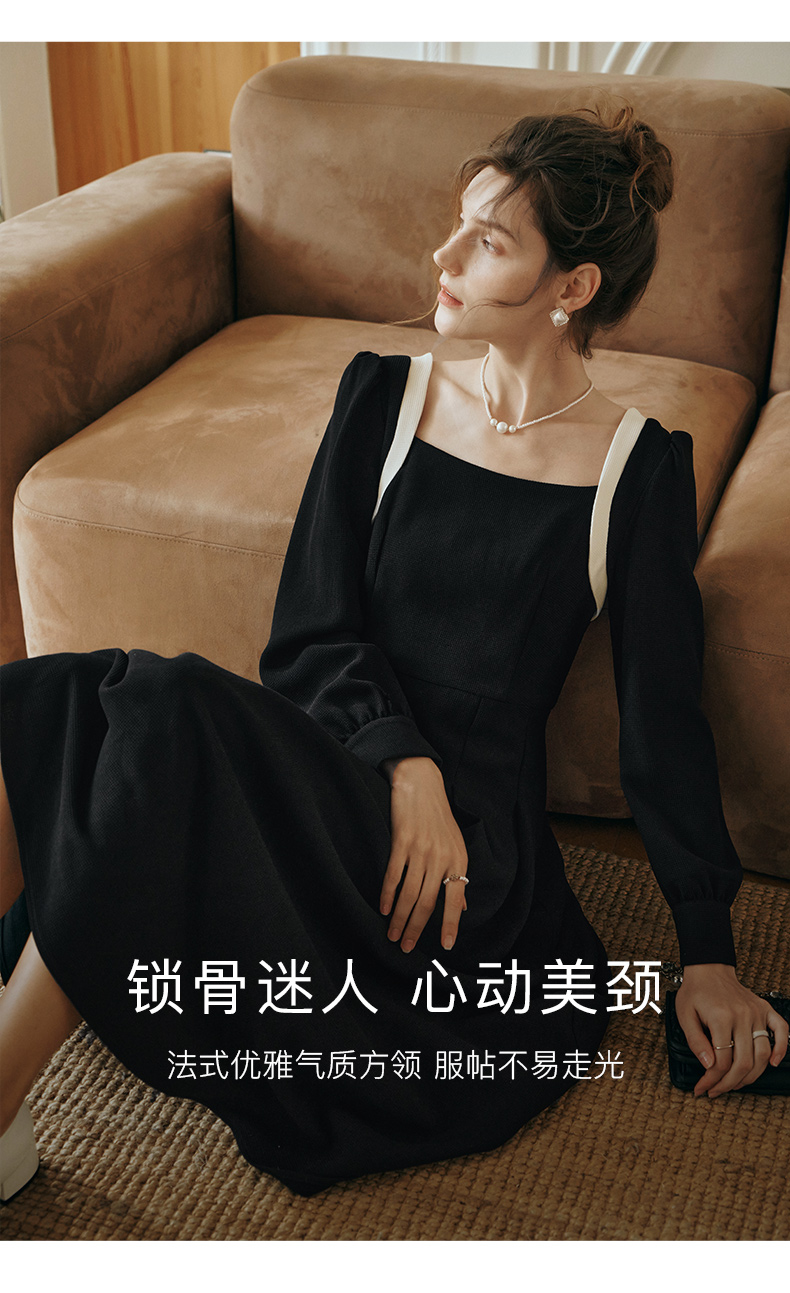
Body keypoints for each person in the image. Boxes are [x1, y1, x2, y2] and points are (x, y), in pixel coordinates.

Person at [1, 104, 787, 1205]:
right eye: (456, 223)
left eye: (489, 241)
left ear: (572, 286)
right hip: (336, 770)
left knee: (158, 723)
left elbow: (664, 724)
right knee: (88, 704)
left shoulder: (635, 470)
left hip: (460, 871)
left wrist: (707, 950)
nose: (443, 256)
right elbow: (308, 632)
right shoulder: (385, 393)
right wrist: (402, 761)